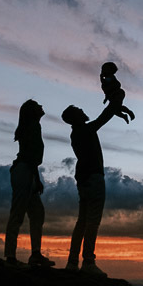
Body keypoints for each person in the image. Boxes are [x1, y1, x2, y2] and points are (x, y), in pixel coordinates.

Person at [61, 101, 116, 275]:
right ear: (74, 118)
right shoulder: (84, 130)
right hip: (93, 178)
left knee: (82, 222)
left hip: (85, 178)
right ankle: (88, 262)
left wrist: (116, 106)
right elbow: (104, 117)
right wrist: (117, 100)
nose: (82, 110)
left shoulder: (77, 133)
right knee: (92, 221)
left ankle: (72, 262)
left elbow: (104, 117)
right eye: (78, 110)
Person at [4, 99, 54, 268]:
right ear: (32, 111)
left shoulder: (32, 126)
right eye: (37, 105)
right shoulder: (33, 126)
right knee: (18, 213)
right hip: (24, 171)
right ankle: (10, 256)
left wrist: (36, 178)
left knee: (37, 213)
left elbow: (31, 156)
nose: (41, 106)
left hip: (27, 171)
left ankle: (35, 254)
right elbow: (30, 155)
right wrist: (36, 178)